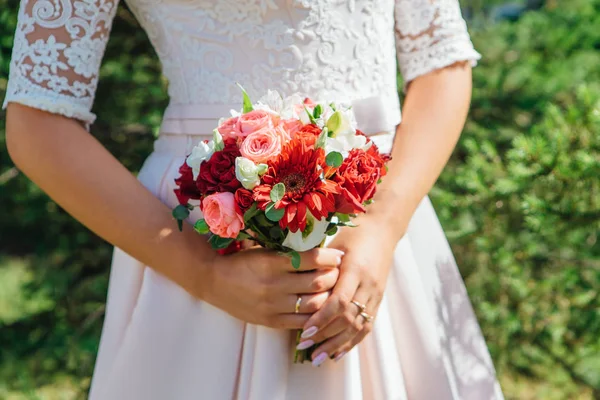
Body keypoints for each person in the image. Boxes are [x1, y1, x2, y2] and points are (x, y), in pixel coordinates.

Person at [4, 0, 505, 399]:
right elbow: (37, 123)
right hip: (202, 231)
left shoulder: (384, 227)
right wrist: (203, 272)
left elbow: (442, 63)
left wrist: (383, 224)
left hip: (382, 224)